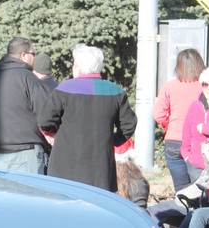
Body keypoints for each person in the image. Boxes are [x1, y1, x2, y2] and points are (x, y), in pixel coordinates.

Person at [37, 44, 137, 192]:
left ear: (77, 67)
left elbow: (44, 120)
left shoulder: (64, 90)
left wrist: (51, 134)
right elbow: (129, 125)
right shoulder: (115, 92)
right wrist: (112, 140)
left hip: (65, 167)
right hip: (101, 169)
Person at [0, 37, 50, 173]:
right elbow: (45, 114)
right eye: (33, 54)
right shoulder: (28, 78)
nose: (34, 59)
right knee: (28, 194)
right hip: (26, 152)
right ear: (23, 55)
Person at [154, 49, 207, 193]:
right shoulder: (205, 87)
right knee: (199, 189)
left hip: (173, 141)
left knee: (182, 191)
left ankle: (184, 213)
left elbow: (158, 114)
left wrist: (169, 127)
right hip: (197, 141)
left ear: (178, 66)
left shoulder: (169, 86)